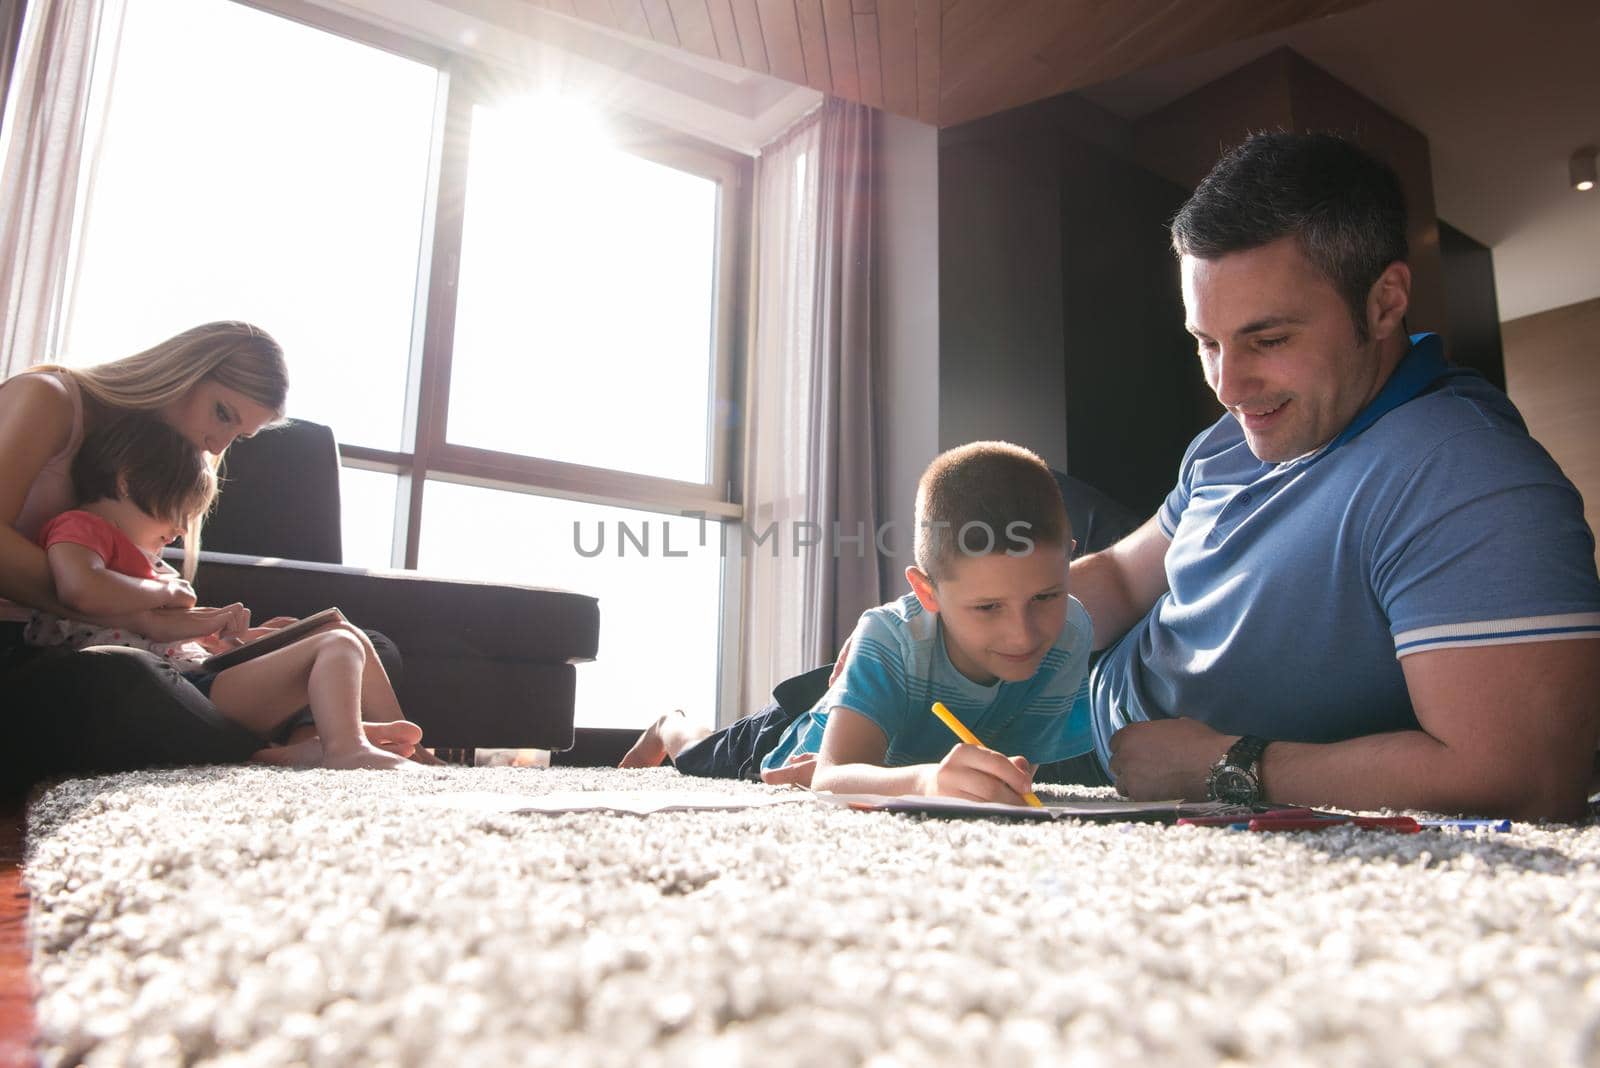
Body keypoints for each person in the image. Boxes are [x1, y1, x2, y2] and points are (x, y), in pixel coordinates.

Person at [1066, 132, 1600, 820]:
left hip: (1107, 760)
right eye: (1207, 343)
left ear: (1384, 303)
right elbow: (1121, 576)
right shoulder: (1233, 436)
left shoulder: (1467, 476)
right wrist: (992, 625)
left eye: (1269, 339)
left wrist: (1216, 766)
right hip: (1067, 688)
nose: (1228, 386)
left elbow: (1525, 777)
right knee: (998, 512)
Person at [0, 322, 408, 793]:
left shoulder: (162, 458)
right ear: (184, 371)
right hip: (30, 651)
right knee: (121, 676)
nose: (218, 445)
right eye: (222, 414)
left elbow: (154, 605)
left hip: (136, 648)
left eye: (238, 435)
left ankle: (309, 741)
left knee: (360, 642)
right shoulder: (50, 398)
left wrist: (218, 638)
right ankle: (303, 737)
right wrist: (135, 608)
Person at [621, 441, 1099, 804]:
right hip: (794, 739)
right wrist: (925, 781)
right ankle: (669, 724)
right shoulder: (890, 637)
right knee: (700, 756)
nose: (1024, 633)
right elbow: (831, 775)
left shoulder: (1071, 634)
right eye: (988, 607)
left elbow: (1015, 764)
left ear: (1068, 562)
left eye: (1045, 596)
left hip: (884, 732)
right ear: (927, 592)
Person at [28, 414, 422, 770]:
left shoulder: (148, 561)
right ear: (126, 481)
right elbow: (79, 587)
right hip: (178, 687)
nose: (182, 529)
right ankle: (346, 746)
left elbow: (158, 626)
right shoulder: (83, 527)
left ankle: (377, 748)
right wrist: (164, 591)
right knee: (337, 646)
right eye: (177, 511)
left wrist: (231, 639)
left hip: (197, 675)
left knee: (344, 635)